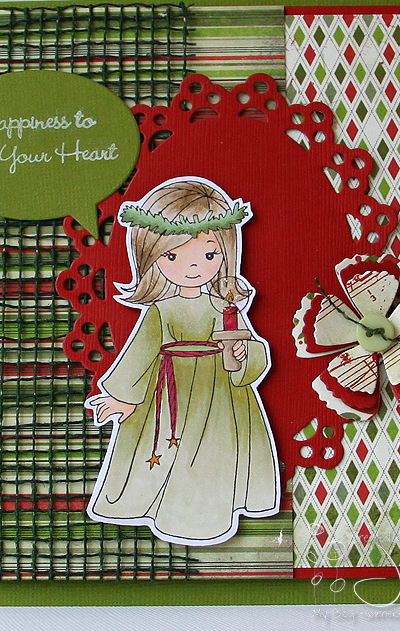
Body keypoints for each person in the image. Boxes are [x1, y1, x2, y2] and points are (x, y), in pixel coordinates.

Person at [87, 177, 280, 546]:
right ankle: (169, 514)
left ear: (225, 253)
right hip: (168, 394)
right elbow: (140, 354)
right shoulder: (161, 310)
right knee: (169, 455)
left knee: (212, 455)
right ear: (153, 257)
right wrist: (123, 398)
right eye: (173, 256)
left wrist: (244, 355)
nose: (193, 266)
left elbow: (250, 350)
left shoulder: (224, 307)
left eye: (209, 255)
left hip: (221, 399)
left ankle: (207, 517)